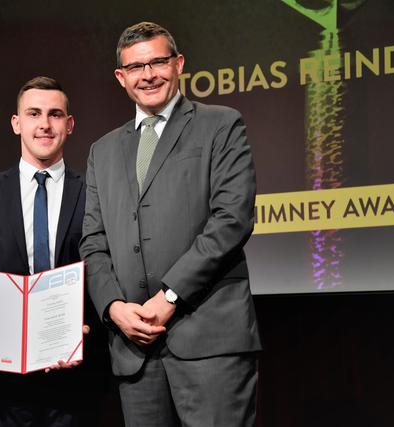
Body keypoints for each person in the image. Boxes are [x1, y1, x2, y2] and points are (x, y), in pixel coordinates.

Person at [80, 22, 261, 427]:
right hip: (134, 349)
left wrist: (169, 297)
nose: (148, 75)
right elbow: (92, 242)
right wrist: (113, 308)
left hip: (209, 342)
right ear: (120, 77)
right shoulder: (102, 151)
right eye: (136, 67)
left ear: (178, 64)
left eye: (158, 62)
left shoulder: (220, 124)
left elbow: (232, 219)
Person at [0, 76, 89, 427]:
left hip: (73, 379)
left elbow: (106, 270)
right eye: (33, 113)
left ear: (69, 125)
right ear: (17, 123)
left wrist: (86, 329)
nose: (44, 124)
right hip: (0, 381)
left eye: (55, 114)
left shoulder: (94, 192)